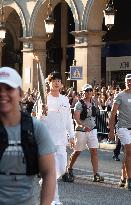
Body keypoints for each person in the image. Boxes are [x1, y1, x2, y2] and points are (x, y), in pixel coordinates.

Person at [0, 66, 56, 205]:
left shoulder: (36, 128)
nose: (2, 94)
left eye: (8, 88)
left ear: (20, 93)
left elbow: (49, 173)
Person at [41, 72, 75, 205]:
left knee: (61, 169)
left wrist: (71, 136)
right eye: (54, 80)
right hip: (47, 140)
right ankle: (55, 200)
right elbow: (38, 121)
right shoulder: (44, 99)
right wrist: (42, 113)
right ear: (49, 83)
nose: (56, 83)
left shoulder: (64, 99)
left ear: (61, 84)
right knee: (52, 172)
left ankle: (46, 180)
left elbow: (68, 120)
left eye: (59, 81)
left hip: (61, 140)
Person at [62, 84, 104, 183]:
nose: (89, 92)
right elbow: (76, 117)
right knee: (77, 151)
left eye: (90, 90)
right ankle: (70, 168)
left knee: (94, 151)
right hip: (81, 131)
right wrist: (83, 126)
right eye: (87, 90)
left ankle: (95, 174)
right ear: (83, 92)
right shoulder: (79, 104)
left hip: (93, 130)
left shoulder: (94, 103)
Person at [109, 73, 131, 190]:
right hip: (122, 127)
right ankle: (129, 180)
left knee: (128, 154)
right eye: (128, 80)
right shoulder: (120, 96)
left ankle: (123, 177)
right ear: (125, 82)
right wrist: (111, 131)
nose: (130, 82)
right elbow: (112, 113)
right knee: (129, 149)